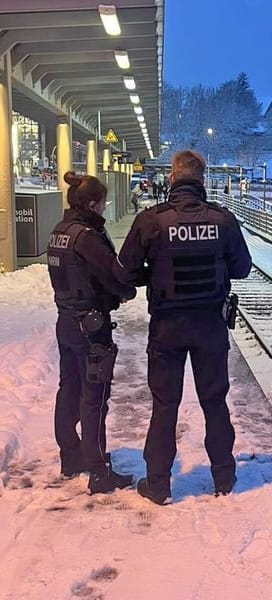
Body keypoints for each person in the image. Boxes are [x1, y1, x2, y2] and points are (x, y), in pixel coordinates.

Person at [115, 150, 252, 505]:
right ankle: (224, 476)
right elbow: (241, 269)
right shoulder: (223, 221)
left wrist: (155, 274)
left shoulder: (151, 220)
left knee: (165, 404)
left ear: (172, 178)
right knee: (214, 402)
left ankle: (159, 484)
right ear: (202, 180)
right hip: (210, 327)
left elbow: (125, 272)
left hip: (167, 328)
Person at [47, 171, 136, 494]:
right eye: (102, 203)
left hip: (66, 322)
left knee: (68, 389)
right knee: (94, 398)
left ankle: (71, 457)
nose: (103, 209)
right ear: (92, 203)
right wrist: (126, 291)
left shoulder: (61, 231)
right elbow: (116, 277)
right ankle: (99, 472)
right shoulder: (87, 236)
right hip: (91, 326)